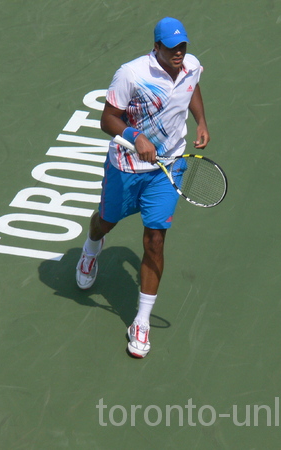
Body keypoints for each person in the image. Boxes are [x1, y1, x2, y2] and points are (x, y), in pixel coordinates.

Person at [76, 17, 210, 358]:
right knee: (105, 221)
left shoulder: (191, 66)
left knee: (154, 241)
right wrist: (136, 138)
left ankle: (141, 320)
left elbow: (191, 89)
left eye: (182, 46)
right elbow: (108, 118)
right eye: (171, 47)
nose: (179, 52)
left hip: (169, 167)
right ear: (157, 47)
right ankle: (92, 248)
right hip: (126, 166)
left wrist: (202, 121)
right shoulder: (131, 74)